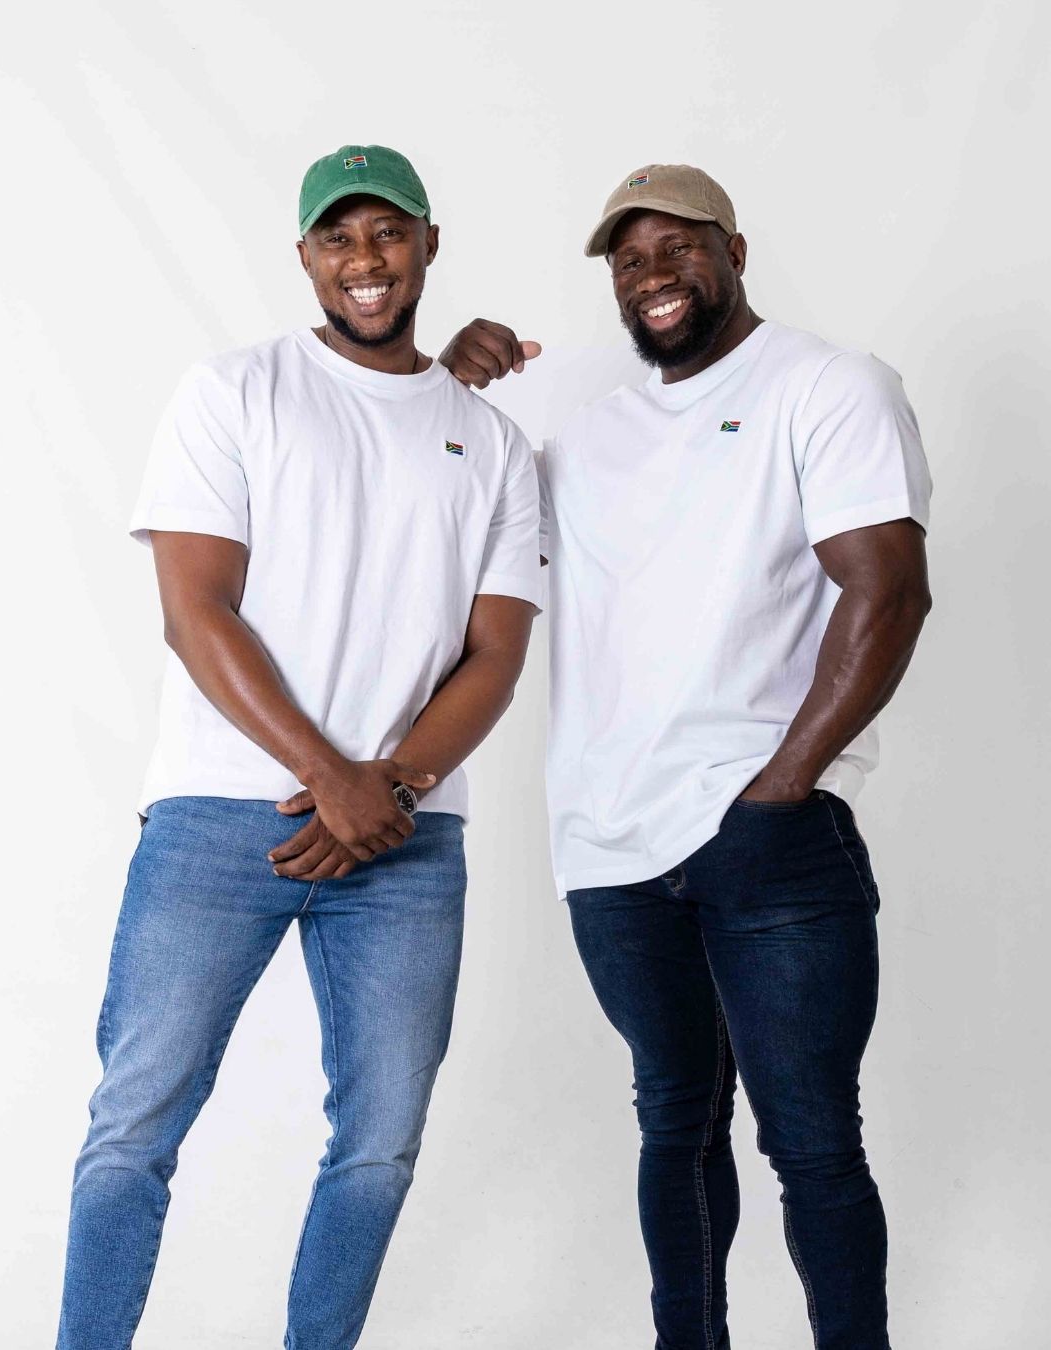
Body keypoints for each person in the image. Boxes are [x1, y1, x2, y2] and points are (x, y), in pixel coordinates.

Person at [56, 144, 542, 1350]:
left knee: (379, 1143)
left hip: (408, 844)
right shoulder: (234, 392)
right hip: (224, 817)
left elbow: (496, 653)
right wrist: (331, 780)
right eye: (339, 238)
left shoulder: (494, 443)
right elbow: (195, 610)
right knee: (136, 1123)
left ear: (429, 243)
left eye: (388, 234)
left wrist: (396, 788)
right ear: (306, 258)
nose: (365, 261)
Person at [441, 162, 932, 1350]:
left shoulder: (829, 386)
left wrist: (782, 785)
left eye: (677, 247)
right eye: (629, 257)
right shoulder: (583, 433)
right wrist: (440, 390)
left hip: (766, 841)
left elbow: (890, 595)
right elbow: (450, 523)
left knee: (811, 1141)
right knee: (673, 1123)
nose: (653, 275)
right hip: (610, 852)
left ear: (736, 251)